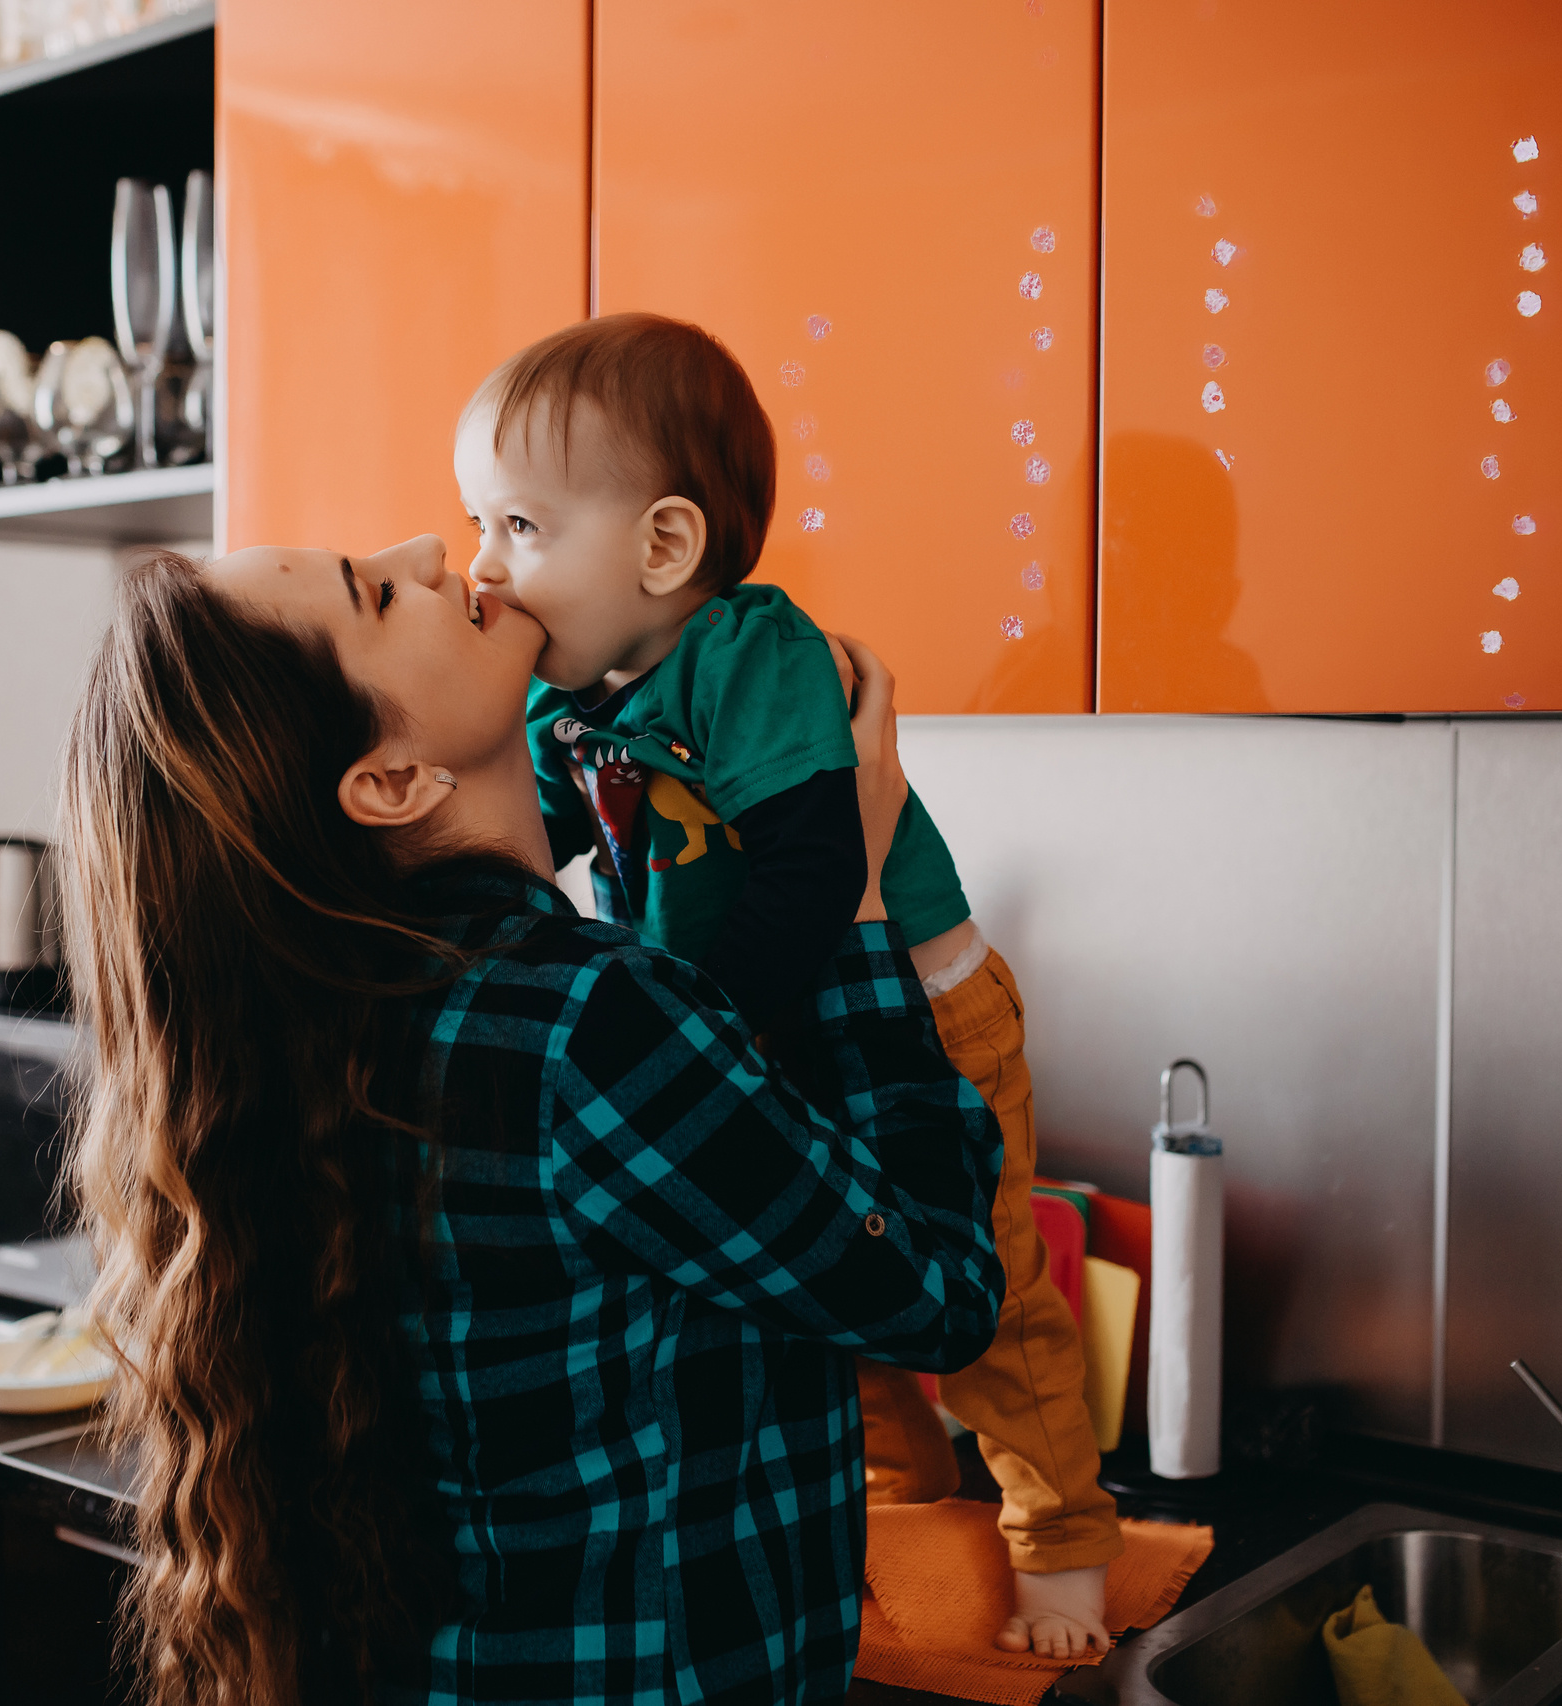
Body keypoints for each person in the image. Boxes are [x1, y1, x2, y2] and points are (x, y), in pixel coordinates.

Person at [58, 540, 1004, 1704]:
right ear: (392, 779)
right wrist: (857, 896)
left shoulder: (332, 1036)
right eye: (379, 592)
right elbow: (941, 1289)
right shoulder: (592, 1023)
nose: (426, 547)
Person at [454, 313, 1123, 1657]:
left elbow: (820, 875)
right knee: (821, 1279)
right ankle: (900, 1491)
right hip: (757, 1017)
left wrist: (684, 1030)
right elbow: (529, 862)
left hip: (912, 1002)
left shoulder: (757, 656)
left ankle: (1063, 1541)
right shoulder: (565, 698)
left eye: (519, 526)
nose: (485, 566)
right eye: (478, 523)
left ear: (664, 546)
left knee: (981, 1286)